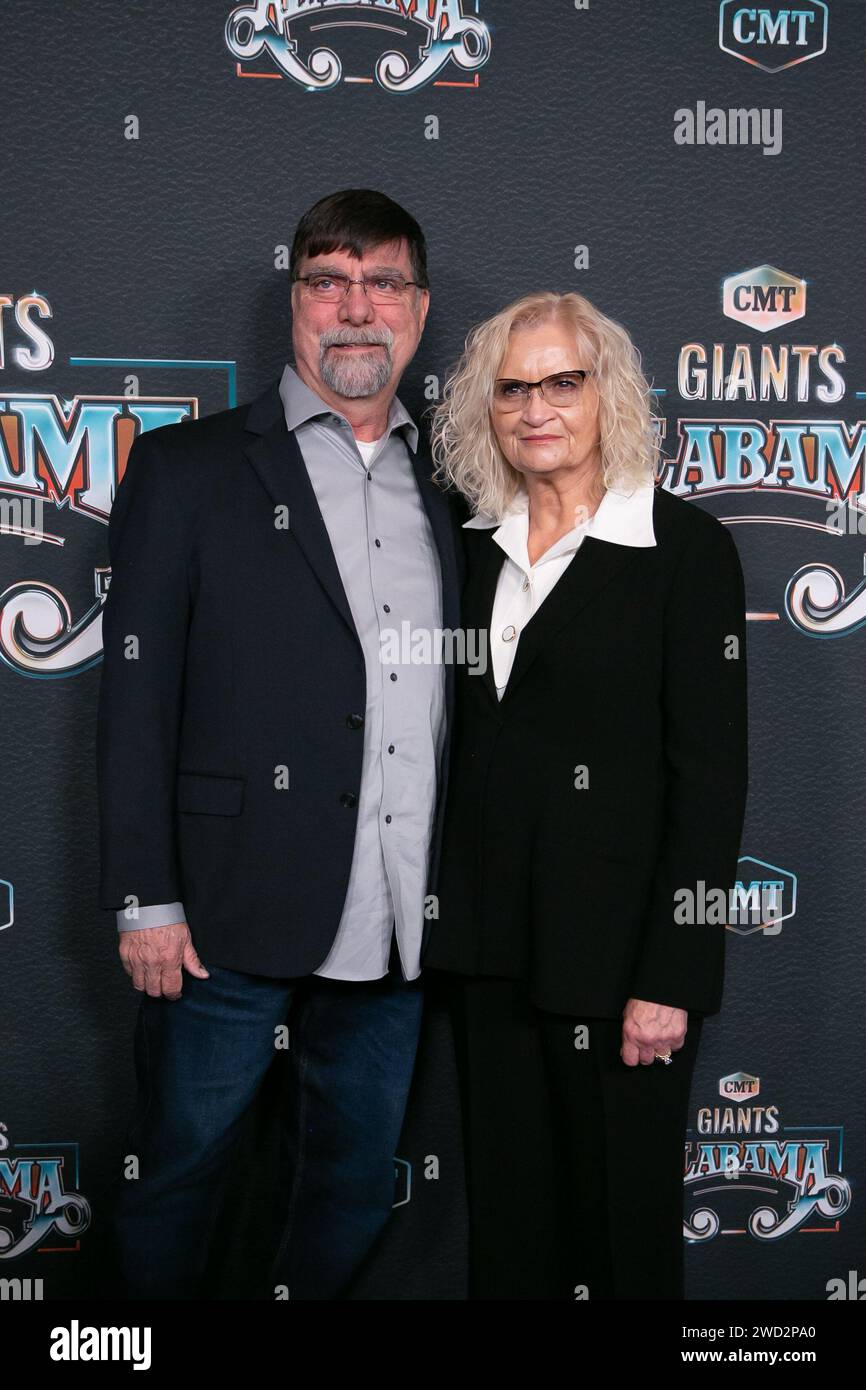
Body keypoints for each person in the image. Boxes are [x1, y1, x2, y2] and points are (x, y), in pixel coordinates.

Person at [96, 188, 462, 1299]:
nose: (356, 308)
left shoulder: (454, 487)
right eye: (327, 281)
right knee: (177, 1177)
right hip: (219, 914)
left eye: (382, 281)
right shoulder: (186, 469)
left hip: (398, 920)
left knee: (349, 1187)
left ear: (419, 307)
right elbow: (134, 696)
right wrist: (144, 897)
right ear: (294, 302)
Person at [422, 290, 749, 1300]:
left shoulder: (682, 551)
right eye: (510, 388)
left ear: (606, 391)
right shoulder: (465, 541)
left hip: (619, 968)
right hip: (486, 948)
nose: (536, 408)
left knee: (618, 1234)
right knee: (510, 1236)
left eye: (561, 381)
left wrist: (672, 975)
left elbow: (709, 777)